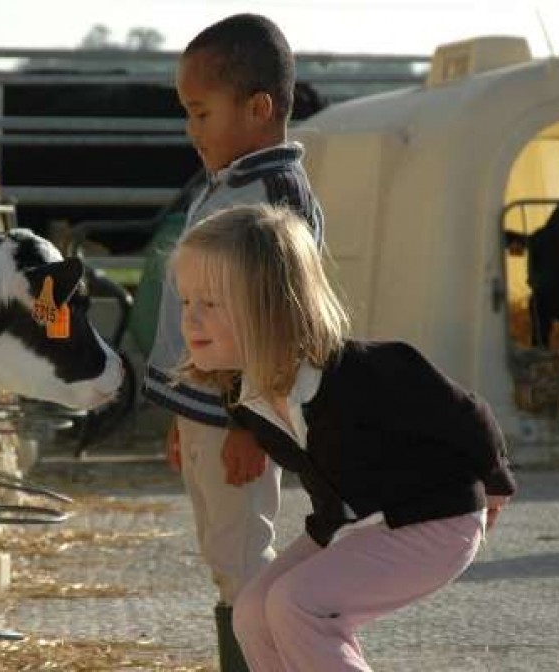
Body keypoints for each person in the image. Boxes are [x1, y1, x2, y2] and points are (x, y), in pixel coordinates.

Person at [172, 204, 517, 671]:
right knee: (253, 610)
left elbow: (466, 413)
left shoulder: (365, 373)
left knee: (297, 604)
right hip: (352, 525)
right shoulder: (244, 394)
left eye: (209, 304)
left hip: (436, 518)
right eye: (185, 302)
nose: (190, 320)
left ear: (271, 306)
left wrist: (495, 482)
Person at [141, 13, 325, 671]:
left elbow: (281, 318)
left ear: (259, 106)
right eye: (187, 115)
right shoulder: (229, 184)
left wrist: (254, 421)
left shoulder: (272, 195)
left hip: (241, 413)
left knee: (243, 554)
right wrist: (182, 408)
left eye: (202, 113)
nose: (193, 132)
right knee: (226, 553)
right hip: (212, 408)